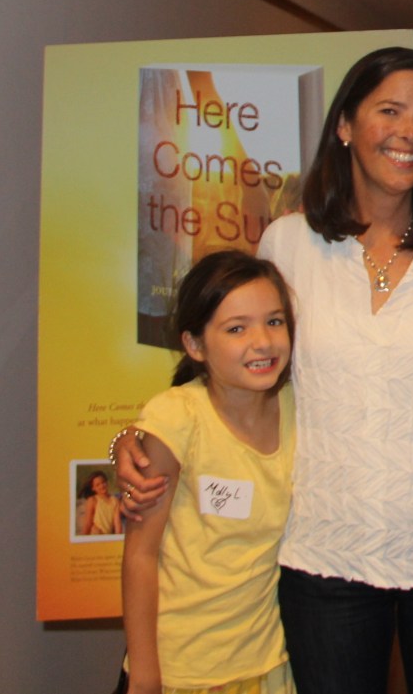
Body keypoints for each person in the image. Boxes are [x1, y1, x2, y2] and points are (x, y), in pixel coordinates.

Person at [115, 47, 413, 694]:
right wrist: (135, 439)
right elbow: (239, 371)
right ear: (344, 124)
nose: (410, 132)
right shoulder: (288, 242)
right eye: (390, 111)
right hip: (324, 548)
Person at [121, 249, 297, 694]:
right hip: (184, 670)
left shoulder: (300, 406)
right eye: (237, 328)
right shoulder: (178, 417)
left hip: (269, 665)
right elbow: (140, 556)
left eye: (274, 321)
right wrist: (144, 674)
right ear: (195, 345)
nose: (262, 341)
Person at [77, 470, 121, 535]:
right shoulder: (93, 500)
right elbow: (88, 523)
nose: (102, 486)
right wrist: (82, 538)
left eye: (103, 482)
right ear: (93, 488)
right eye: (97, 485)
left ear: (107, 482)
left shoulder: (115, 500)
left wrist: (118, 537)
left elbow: (117, 524)